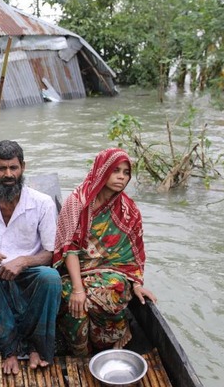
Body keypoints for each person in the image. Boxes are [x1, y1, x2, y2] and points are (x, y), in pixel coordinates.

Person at [0, 140, 62, 375]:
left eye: (13, 168)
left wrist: (24, 261)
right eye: (1, 168)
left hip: (30, 271)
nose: (8, 174)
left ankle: (38, 347)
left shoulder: (42, 203)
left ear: (23, 167)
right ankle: (9, 349)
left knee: (51, 278)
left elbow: (50, 253)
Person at [52, 148, 157, 357]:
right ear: (102, 170)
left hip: (111, 274)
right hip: (74, 273)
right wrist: (78, 289)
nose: (121, 176)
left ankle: (110, 336)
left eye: (126, 172)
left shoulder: (129, 210)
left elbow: (133, 253)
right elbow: (68, 248)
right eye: (115, 170)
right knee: (72, 302)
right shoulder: (77, 201)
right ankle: (81, 353)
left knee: (114, 290)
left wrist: (136, 283)